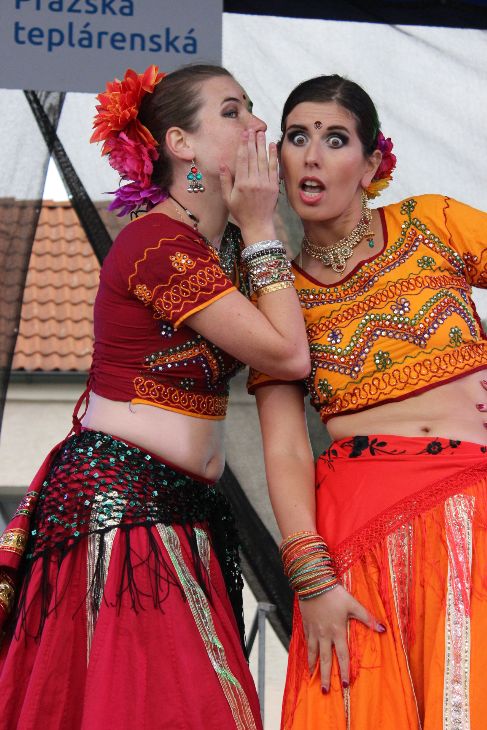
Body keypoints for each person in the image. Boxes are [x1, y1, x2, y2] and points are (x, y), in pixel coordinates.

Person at [0, 64, 310, 729]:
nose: (258, 125)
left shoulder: (220, 249)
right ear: (181, 144)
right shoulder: (156, 244)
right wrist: (262, 226)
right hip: (124, 512)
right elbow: (287, 354)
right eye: (232, 111)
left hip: (181, 514)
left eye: (251, 108)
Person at [248, 74, 487, 729]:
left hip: (472, 510)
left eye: (335, 139)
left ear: (372, 164)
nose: (312, 155)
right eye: (297, 137)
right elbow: (286, 448)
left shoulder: (431, 224)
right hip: (358, 536)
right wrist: (311, 577)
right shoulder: (277, 296)